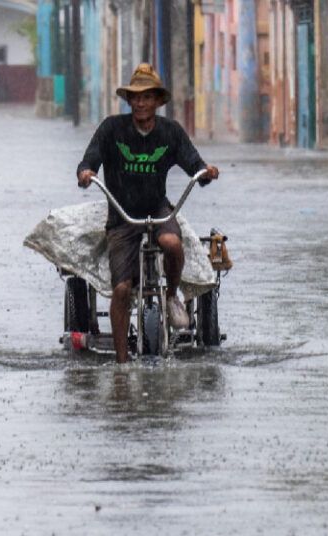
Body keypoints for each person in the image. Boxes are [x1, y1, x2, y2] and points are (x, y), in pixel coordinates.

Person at [76, 63, 220, 364]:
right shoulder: (112, 129)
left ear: (157, 101)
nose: (141, 103)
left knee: (171, 243)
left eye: (147, 97)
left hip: (157, 208)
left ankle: (170, 299)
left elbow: (194, 163)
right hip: (122, 215)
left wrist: (206, 173)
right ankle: (122, 362)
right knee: (122, 288)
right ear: (129, 101)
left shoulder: (170, 132)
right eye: (136, 97)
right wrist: (86, 172)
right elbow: (89, 159)